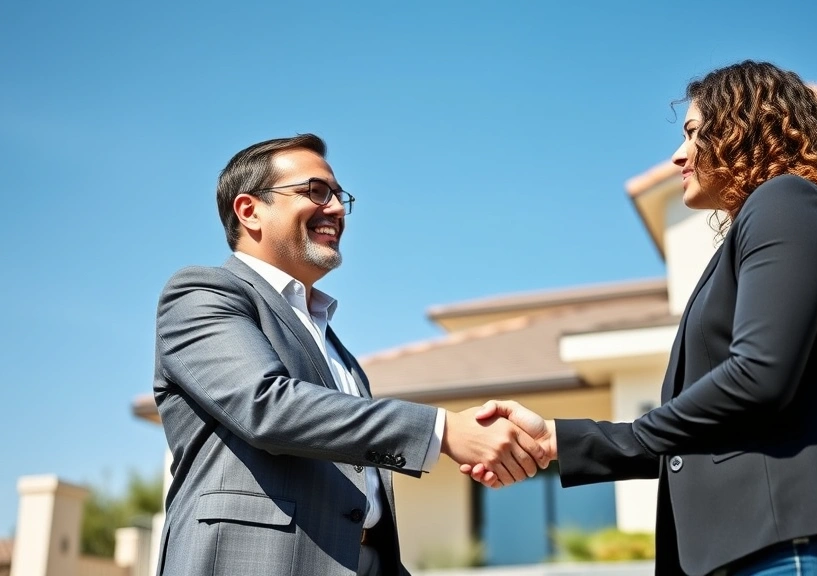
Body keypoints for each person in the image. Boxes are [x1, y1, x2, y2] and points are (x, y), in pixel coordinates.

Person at [464, 61, 817, 576]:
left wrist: (599, 439)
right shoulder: (777, 215)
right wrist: (558, 440)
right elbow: (699, 442)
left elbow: (759, 377)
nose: (678, 155)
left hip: (790, 546)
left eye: (693, 132)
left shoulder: (786, 201)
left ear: (743, 128)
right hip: (756, 549)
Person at [152, 134, 549, 576]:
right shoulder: (202, 293)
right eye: (316, 192)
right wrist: (443, 431)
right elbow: (266, 407)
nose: (337, 209)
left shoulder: (335, 346)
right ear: (250, 210)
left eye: (339, 196)